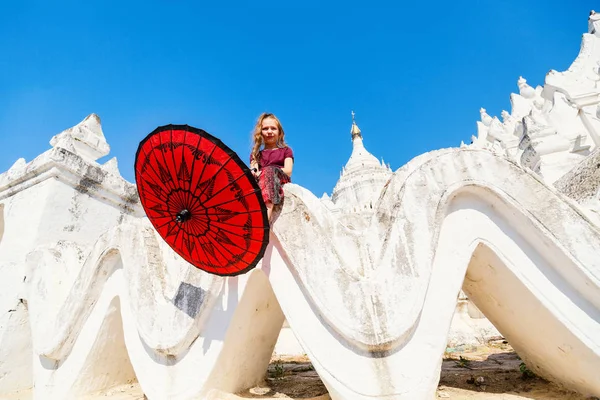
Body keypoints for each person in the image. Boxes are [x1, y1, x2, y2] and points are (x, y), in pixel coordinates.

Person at [249, 112, 294, 222]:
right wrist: (254, 171)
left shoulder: (286, 151)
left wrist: (266, 170)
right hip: (261, 179)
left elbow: (288, 171)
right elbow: (253, 169)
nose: (269, 131)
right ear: (260, 133)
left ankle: (264, 221)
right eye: (265, 129)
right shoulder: (256, 154)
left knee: (269, 171)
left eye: (273, 128)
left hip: (279, 177)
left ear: (279, 132)